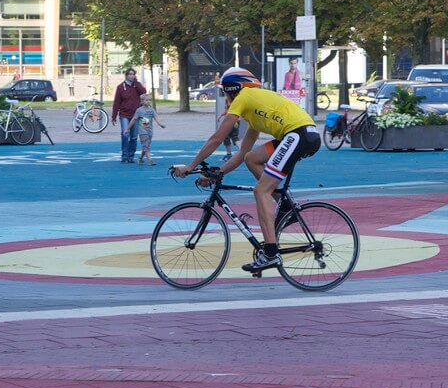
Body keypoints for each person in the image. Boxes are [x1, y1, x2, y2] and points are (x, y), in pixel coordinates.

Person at [173, 67, 320, 273]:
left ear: (233, 89)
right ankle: (285, 204)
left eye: (225, 93)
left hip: (297, 136)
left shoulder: (244, 96)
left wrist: (190, 166)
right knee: (252, 158)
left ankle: (270, 253)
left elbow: (217, 138)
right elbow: (242, 155)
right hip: (300, 135)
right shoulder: (253, 108)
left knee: (261, 191)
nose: (225, 99)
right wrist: (219, 172)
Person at [110, 67, 145, 163]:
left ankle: (131, 156)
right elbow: (116, 102)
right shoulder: (120, 87)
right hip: (124, 114)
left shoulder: (137, 86)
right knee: (125, 134)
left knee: (134, 136)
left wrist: (136, 83)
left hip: (135, 115)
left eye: (133, 74)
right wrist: (114, 116)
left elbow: (143, 91)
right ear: (126, 75)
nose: (132, 76)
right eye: (130, 74)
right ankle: (124, 155)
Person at [129, 92, 164, 166]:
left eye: (149, 100)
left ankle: (140, 158)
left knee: (146, 145)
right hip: (142, 130)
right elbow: (134, 119)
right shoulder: (139, 110)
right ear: (142, 101)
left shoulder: (151, 110)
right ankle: (150, 160)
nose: (148, 101)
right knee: (146, 145)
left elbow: (156, 117)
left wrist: (160, 124)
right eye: (146, 100)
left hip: (149, 130)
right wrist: (128, 128)